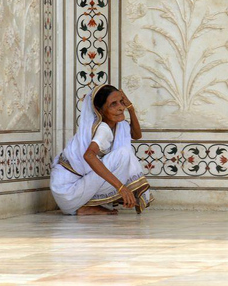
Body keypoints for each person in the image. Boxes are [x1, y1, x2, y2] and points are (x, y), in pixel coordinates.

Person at [50, 85, 153, 215]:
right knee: (124, 154)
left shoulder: (118, 125)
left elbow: (137, 135)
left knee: (123, 156)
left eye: (122, 102)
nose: (121, 107)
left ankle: (84, 207)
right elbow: (89, 156)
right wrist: (121, 188)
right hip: (69, 192)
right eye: (113, 104)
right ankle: (84, 205)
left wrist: (131, 108)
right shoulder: (103, 129)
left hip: (65, 196)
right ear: (100, 110)